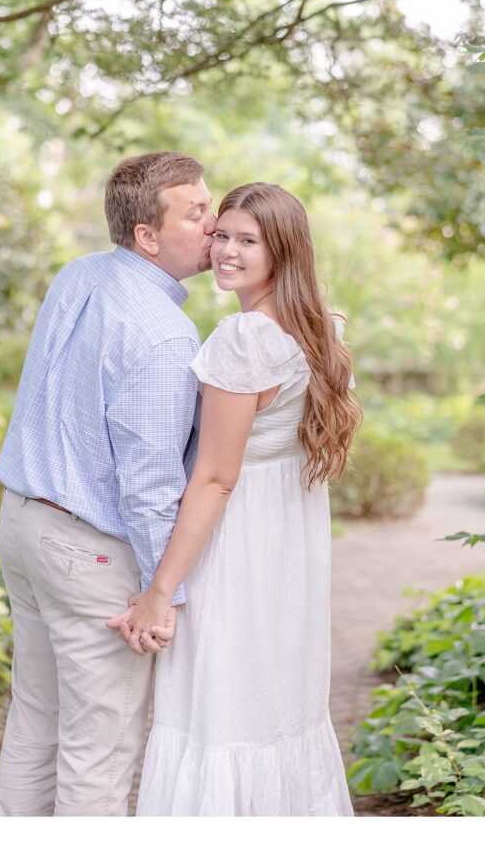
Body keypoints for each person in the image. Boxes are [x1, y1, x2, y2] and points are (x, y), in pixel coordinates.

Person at [107, 182, 361, 816]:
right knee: (273, 703)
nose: (225, 251)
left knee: (220, 709)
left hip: (239, 543)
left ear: (283, 251)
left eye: (248, 241)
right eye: (221, 234)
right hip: (288, 540)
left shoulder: (245, 338)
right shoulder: (319, 327)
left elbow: (217, 476)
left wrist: (158, 590)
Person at [0, 151, 216, 816]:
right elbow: (149, 487)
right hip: (88, 551)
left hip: (23, 523)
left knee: (34, 722)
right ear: (148, 236)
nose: (214, 224)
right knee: (101, 749)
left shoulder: (79, 274)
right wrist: (159, 591)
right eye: (197, 214)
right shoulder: (165, 336)